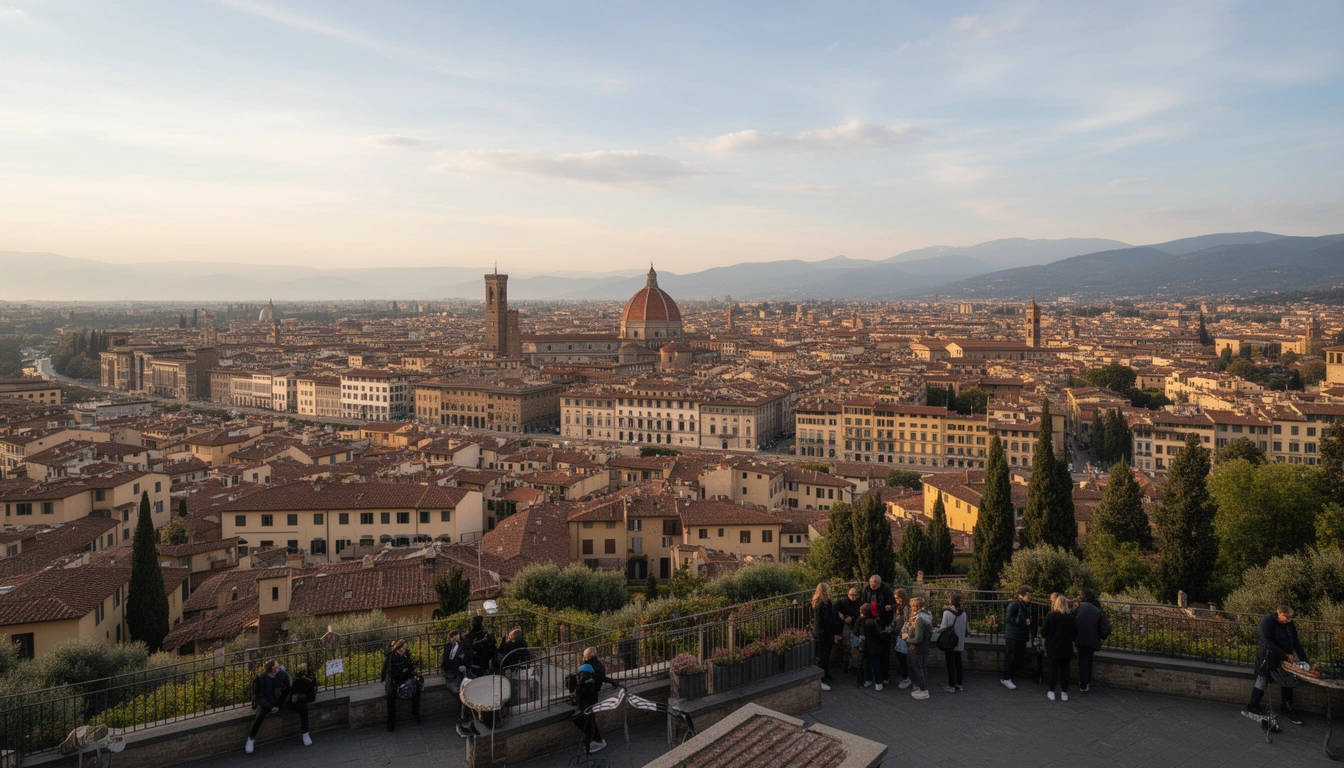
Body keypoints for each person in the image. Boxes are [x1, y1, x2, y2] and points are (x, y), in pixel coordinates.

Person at [1248, 604, 1310, 726]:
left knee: (1288, 681)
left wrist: (1305, 660)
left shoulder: (1289, 624)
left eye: (1291, 618)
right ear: (1279, 613)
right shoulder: (1267, 620)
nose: (1289, 620)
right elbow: (1266, 640)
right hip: (1268, 656)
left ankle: (1286, 707)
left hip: (1285, 657)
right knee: (1262, 679)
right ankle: (1253, 705)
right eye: (1286, 617)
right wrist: (1284, 654)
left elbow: (1296, 642)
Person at [245, 660, 311, 753]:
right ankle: (251, 739)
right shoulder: (261, 678)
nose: (278, 669)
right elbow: (260, 697)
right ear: (270, 670)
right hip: (266, 702)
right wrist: (271, 707)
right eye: (275, 668)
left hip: (281, 702)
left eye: (278, 667)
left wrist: (282, 704)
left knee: (302, 707)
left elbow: (287, 690)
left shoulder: (282, 674)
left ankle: (305, 733)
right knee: (260, 715)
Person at [572, 652, 619, 754]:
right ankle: (595, 740)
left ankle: (596, 740)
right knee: (588, 720)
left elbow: (582, 690)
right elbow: (601, 678)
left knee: (587, 720)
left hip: (588, 700)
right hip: (590, 699)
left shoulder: (588, 672)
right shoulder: (591, 670)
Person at [380, 638, 421, 731]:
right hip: (394, 680)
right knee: (390, 697)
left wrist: (410, 668)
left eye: (405, 649)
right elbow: (389, 671)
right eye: (402, 649)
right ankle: (391, 723)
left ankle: (416, 714)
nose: (403, 651)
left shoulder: (406, 654)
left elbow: (410, 667)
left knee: (416, 689)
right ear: (397, 649)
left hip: (405, 677)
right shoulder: (391, 657)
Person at [861, 575, 896, 684]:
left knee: (884, 651)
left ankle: (885, 676)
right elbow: (863, 602)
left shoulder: (886, 589)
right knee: (871, 650)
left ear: (879, 583)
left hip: (884, 621)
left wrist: (889, 607)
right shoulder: (867, 589)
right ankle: (871, 675)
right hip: (871, 622)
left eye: (875, 583)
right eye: (871, 583)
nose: (872, 585)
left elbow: (894, 604)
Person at [1043, 595, 1077, 701]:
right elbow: (1075, 632)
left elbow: (1044, 631)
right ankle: (1064, 692)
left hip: (1053, 646)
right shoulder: (1070, 617)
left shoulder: (1051, 615)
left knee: (1053, 670)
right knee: (1065, 670)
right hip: (1066, 646)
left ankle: (1052, 691)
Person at [935, 592, 968, 693]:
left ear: (950, 601)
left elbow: (943, 627)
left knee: (950, 663)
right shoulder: (964, 613)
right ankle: (959, 683)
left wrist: (936, 630)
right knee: (958, 662)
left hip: (950, 640)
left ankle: (951, 685)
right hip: (959, 641)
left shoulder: (947, 612)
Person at [1074, 590, 1105, 693]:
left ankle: (1083, 685)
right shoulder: (1097, 610)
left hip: (1081, 637)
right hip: (1093, 639)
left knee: (1082, 661)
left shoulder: (1078, 607)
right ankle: (1087, 681)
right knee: (1089, 660)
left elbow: (1072, 620)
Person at [1001, 587, 1032, 689]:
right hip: (1013, 635)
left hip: (1020, 635)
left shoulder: (1024, 605)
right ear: (1020, 595)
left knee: (1018, 656)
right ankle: (1006, 678)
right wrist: (1024, 622)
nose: (1030, 598)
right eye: (1028, 595)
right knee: (1010, 656)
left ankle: (1010, 676)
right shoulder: (1014, 604)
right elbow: (1008, 619)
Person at [812, 583, 841, 691]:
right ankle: (821, 680)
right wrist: (832, 634)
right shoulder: (822, 604)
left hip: (822, 633)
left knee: (825, 655)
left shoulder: (821, 603)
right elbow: (826, 621)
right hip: (823, 634)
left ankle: (825, 674)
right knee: (822, 657)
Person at [902, 597, 933, 699]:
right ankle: (924, 688)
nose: (911, 608)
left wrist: (907, 638)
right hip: (923, 648)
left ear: (916, 606)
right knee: (922, 668)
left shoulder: (919, 619)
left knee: (919, 668)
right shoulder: (926, 615)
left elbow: (918, 638)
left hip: (917, 648)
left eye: (912, 606)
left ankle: (924, 690)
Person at [835, 586, 863, 675]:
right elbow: (835, 608)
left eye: (855, 595)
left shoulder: (860, 603)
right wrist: (840, 614)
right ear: (848, 595)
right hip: (846, 626)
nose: (853, 597)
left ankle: (853, 666)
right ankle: (846, 665)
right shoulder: (843, 602)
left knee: (854, 648)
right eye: (851, 595)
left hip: (855, 626)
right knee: (847, 646)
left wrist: (853, 617)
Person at [859, 603, 885, 690]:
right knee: (876, 664)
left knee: (867, 664)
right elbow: (878, 634)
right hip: (874, 646)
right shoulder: (872, 621)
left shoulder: (861, 621)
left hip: (866, 646)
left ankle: (868, 680)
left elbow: (859, 633)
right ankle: (878, 682)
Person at [892, 588, 912, 689]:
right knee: (900, 656)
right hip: (898, 634)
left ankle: (906, 678)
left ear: (902, 597)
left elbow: (907, 622)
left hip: (903, 635)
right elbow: (896, 620)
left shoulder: (907, 608)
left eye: (897, 598)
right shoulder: (899, 607)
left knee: (902, 656)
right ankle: (903, 676)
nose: (896, 600)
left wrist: (902, 631)